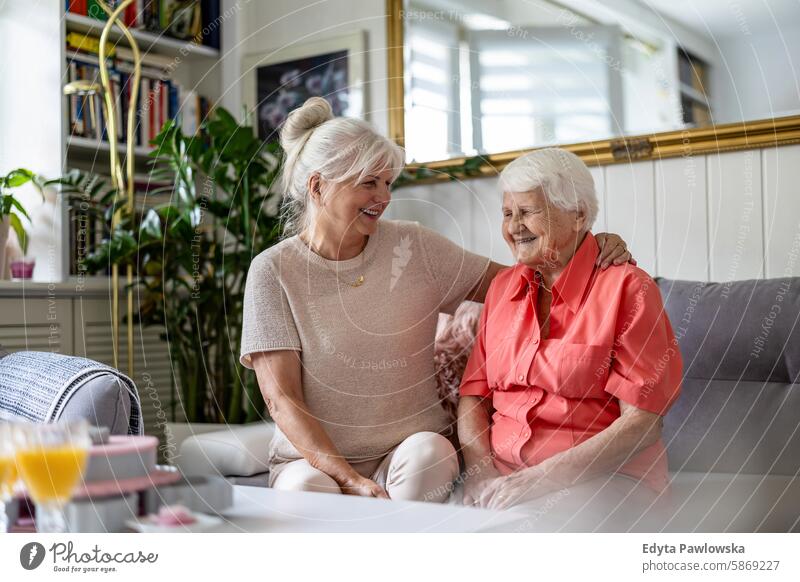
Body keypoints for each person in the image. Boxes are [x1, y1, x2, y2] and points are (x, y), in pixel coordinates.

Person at [240, 98, 632, 503]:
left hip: (408, 449)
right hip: (312, 462)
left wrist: (588, 247)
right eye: (368, 183)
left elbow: (522, 283)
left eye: (388, 183)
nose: (384, 197)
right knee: (308, 491)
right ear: (318, 185)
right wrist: (350, 480)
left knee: (429, 456)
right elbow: (280, 398)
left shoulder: (414, 246)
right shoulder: (272, 271)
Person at [457, 148, 682, 528]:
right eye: (507, 214)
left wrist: (539, 481)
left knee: (531, 533)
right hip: (503, 478)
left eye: (527, 212)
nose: (514, 227)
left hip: (604, 479)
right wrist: (480, 473)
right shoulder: (502, 288)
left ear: (578, 214)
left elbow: (642, 424)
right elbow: (472, 397)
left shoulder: (628, 289)